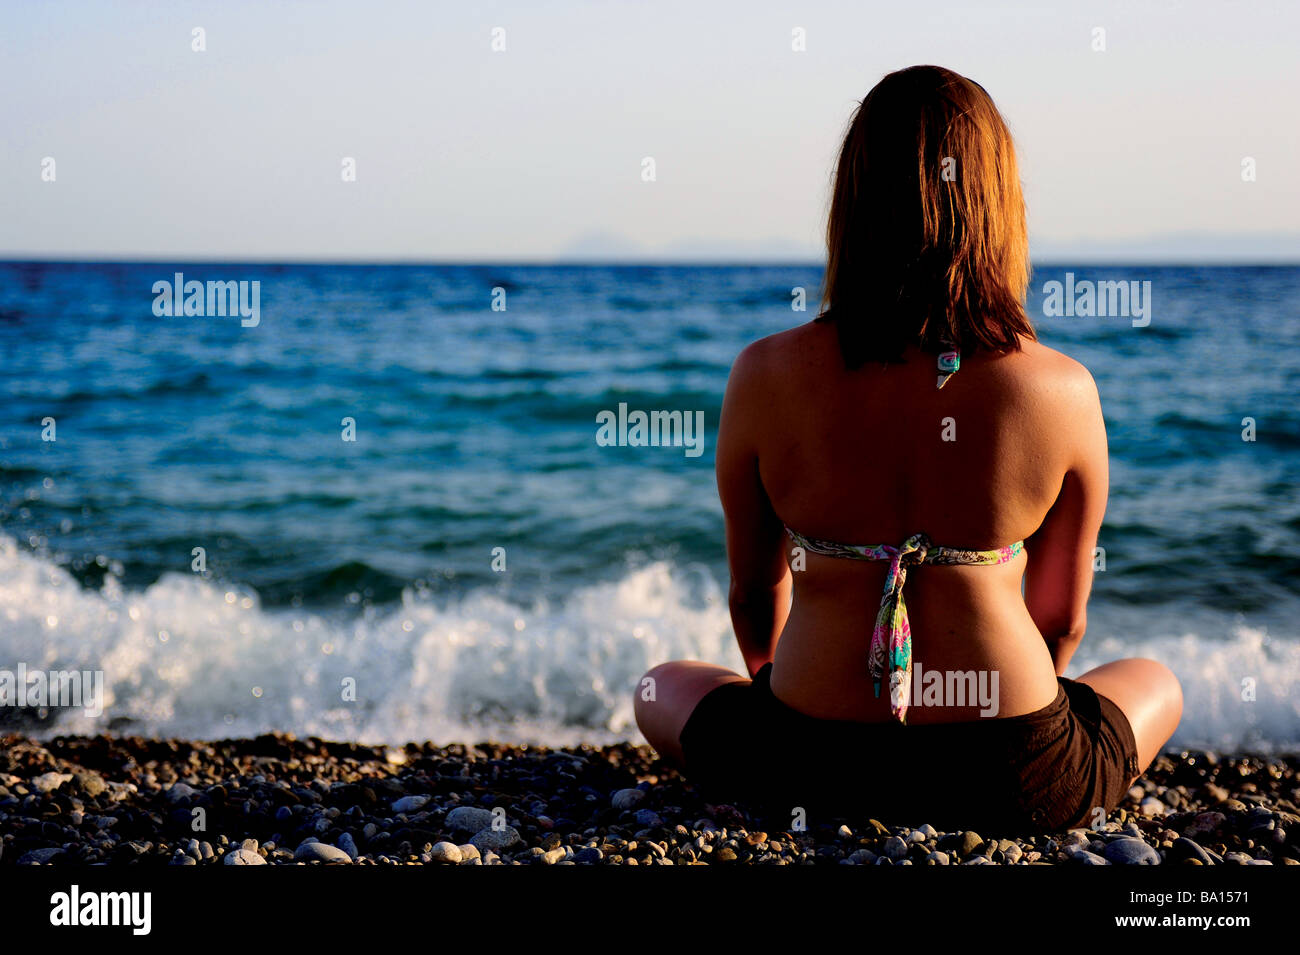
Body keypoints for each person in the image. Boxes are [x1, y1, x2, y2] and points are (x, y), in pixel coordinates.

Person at [633, 65, 1182, 833]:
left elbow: (755, 594)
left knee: (659, 686)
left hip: (806, 761)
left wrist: (777, 690)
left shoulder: (763, 374)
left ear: (852, 204)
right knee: (1156, 680)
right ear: (998, 203)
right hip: (1012, 770)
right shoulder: (1062, 389)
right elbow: (1060, 620)